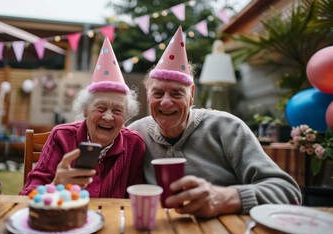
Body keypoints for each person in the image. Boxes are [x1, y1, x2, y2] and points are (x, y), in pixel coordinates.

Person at [128, 26, 302, 218]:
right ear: (148, 96)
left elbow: (289, 192)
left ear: (192, 95)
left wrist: (225, 198)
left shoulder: (228, 128)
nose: (166, 102)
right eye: (158, 93)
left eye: (177, 93)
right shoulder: (136, 133)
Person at [20, 37, 145, 198]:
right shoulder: (62, 136)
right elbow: (27, 195)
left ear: (126, 117)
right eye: (100, 108)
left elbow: (136, 200)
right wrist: (56, 185)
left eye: (117, 110)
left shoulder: (135, 145)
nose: (108, 117)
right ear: (85, 111)